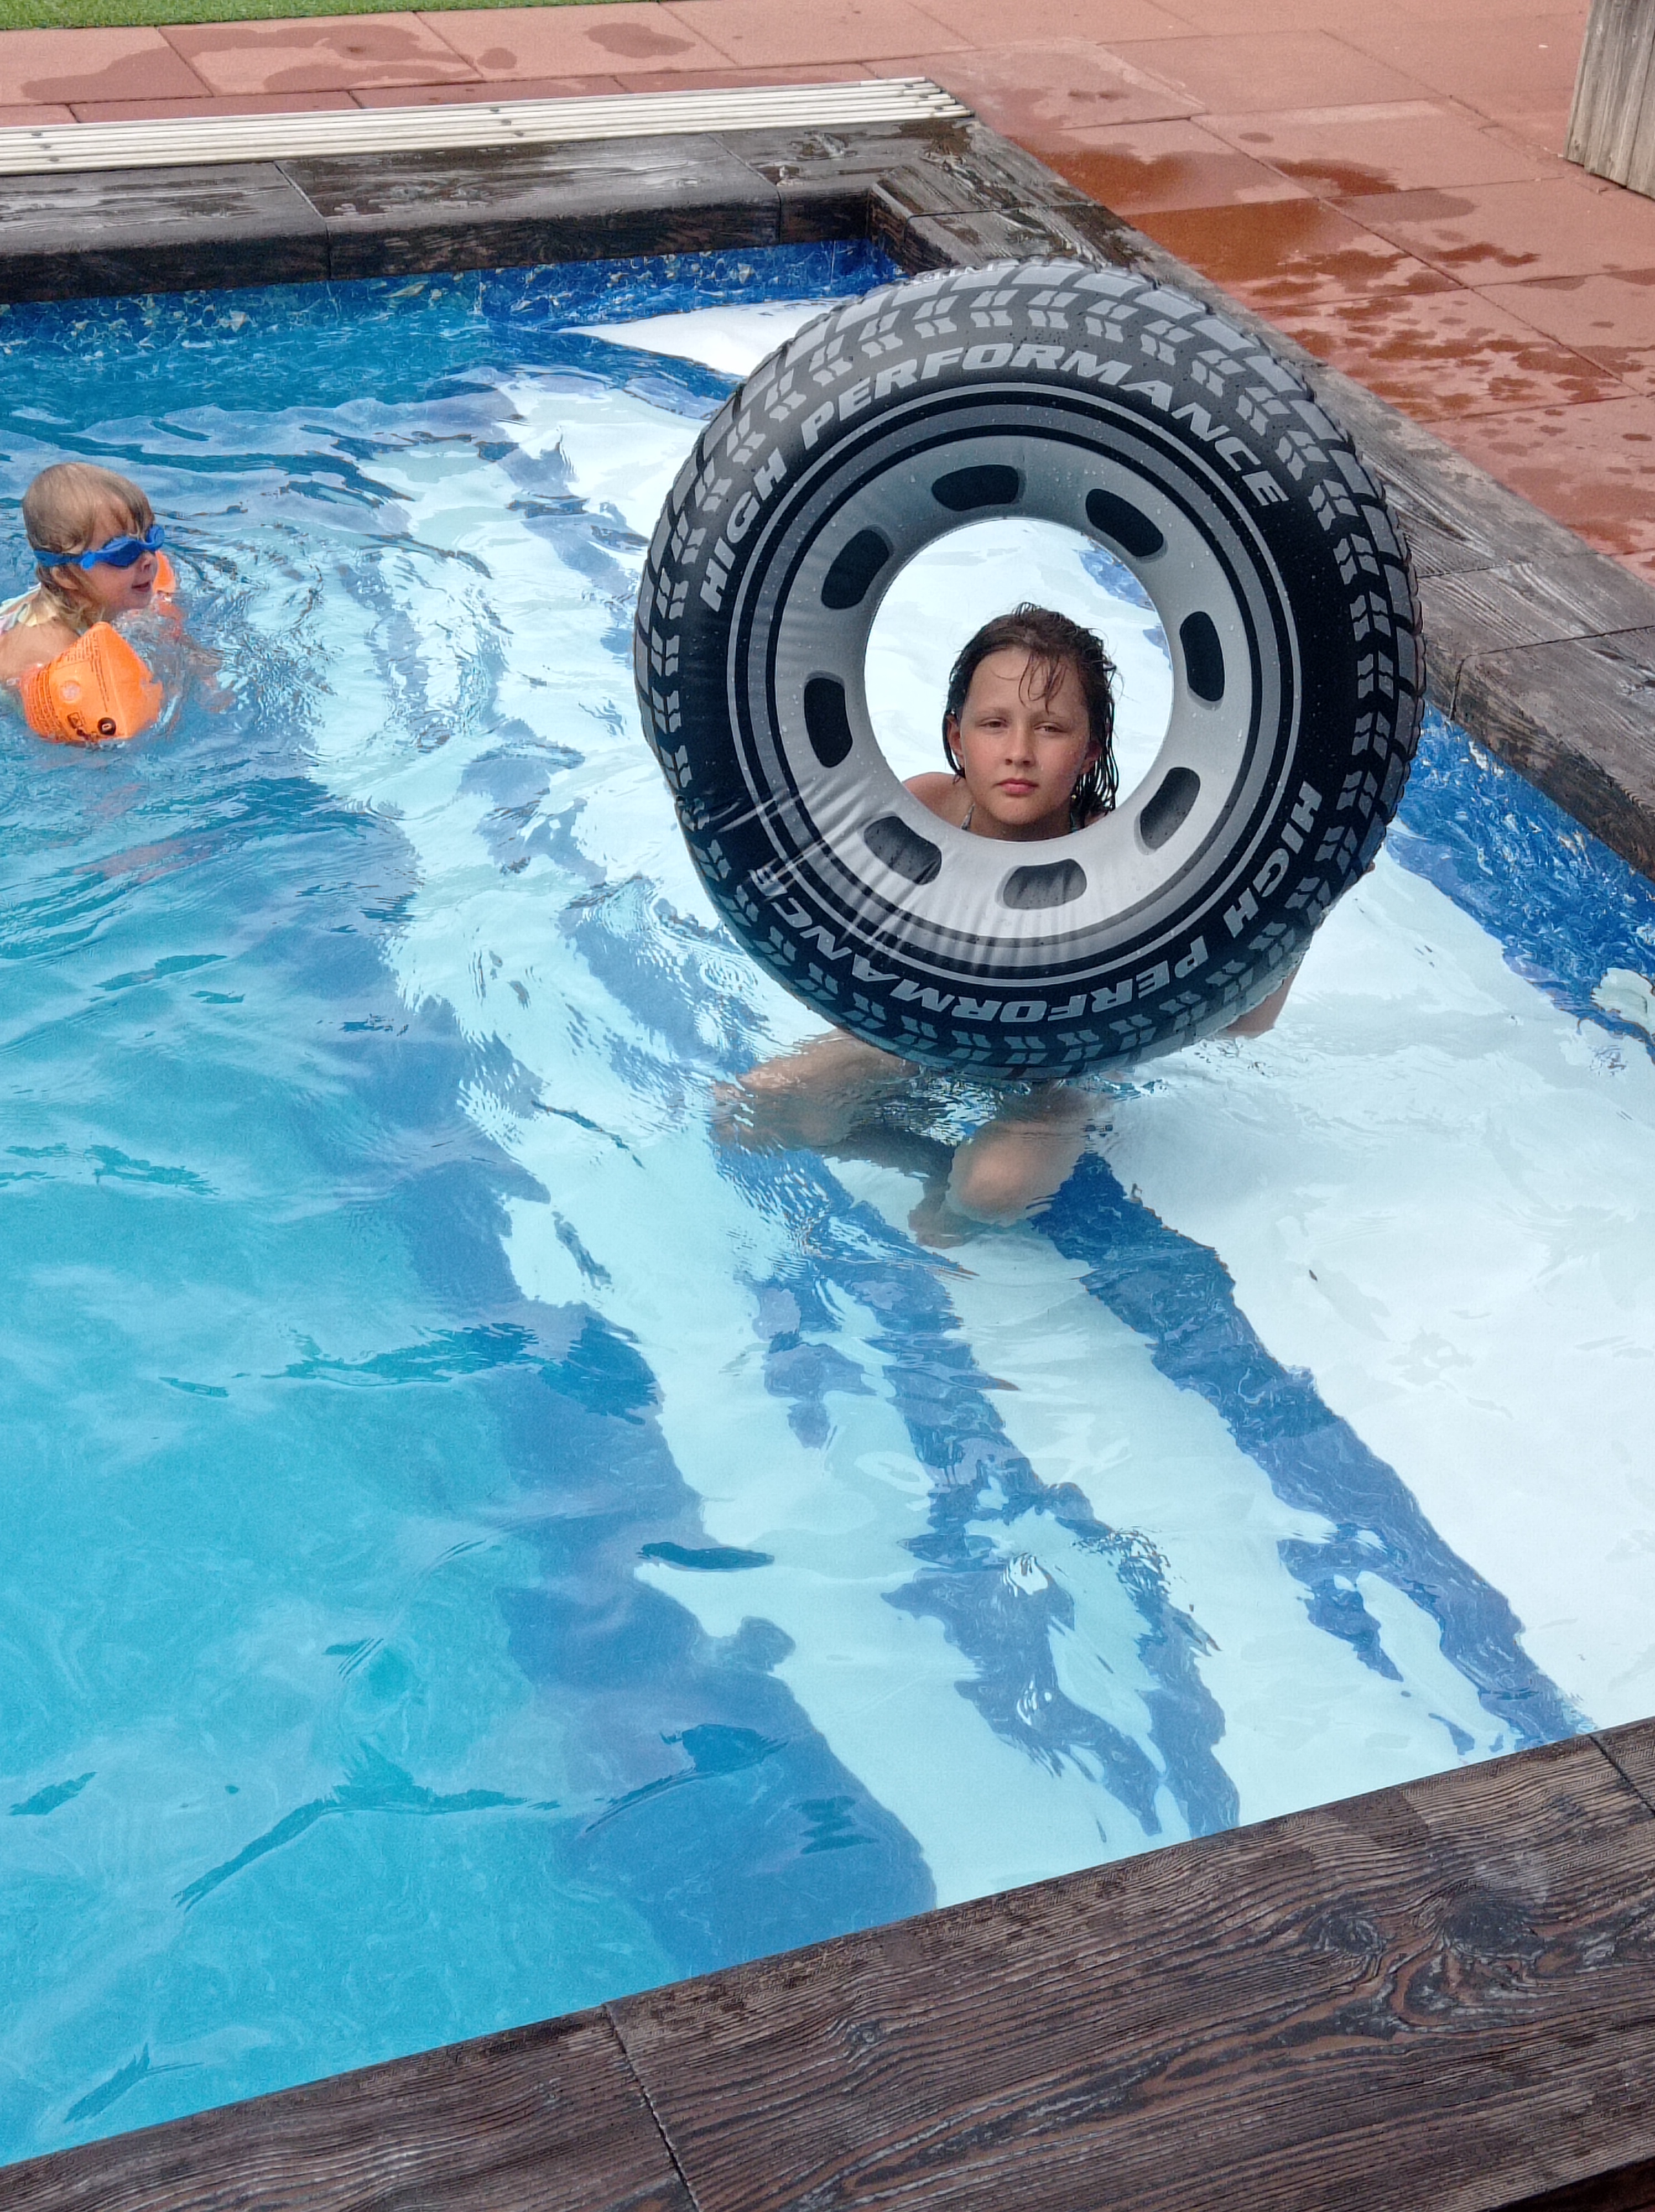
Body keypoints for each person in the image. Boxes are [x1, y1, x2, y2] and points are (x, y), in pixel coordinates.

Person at [720, 603, 1296, 1243]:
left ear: (1091, 749)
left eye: (1050, 729)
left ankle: (958, 1185)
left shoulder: (1122, 855)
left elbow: (1242, 1020)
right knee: (750, 1112)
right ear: (957, 736)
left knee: (981, 1200)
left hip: (1060, 1073)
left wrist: (1303, 900)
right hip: (922, 1035)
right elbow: (834, 947)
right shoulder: (924, 812)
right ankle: (923, 1161)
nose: (1018, 752)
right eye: (994, 724)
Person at [0, 462, 172, 690]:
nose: (148, 558)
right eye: (124, 553)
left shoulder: (81, 598)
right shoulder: (59, 658)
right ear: (65, 576)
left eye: (150, 537)